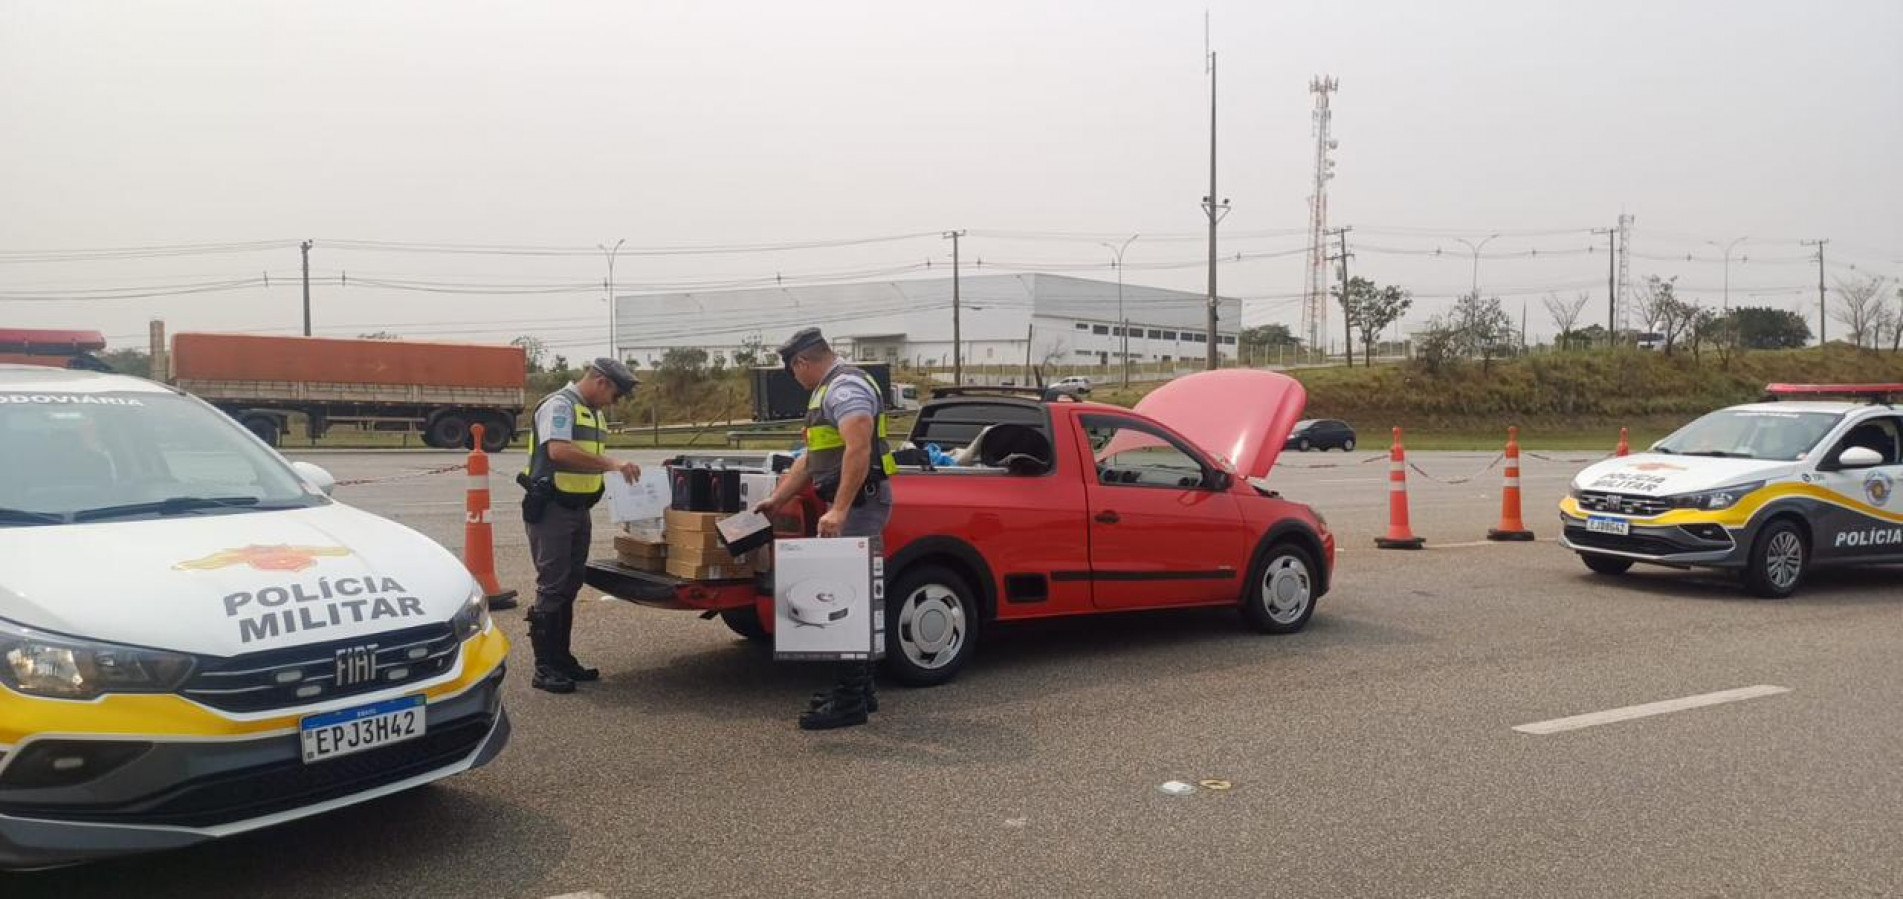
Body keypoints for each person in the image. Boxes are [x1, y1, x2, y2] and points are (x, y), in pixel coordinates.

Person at [752, 328, 899, 730]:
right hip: (854, 504)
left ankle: (850, 701)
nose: (795, 379)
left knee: (846, 599)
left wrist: (838, 510)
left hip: (859, 506)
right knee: (853, 597)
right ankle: (858, 691)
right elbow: (813, 457)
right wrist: (778, 499)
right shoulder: (827, 390)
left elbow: (859, 447)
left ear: (802, 362)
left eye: (793, 371)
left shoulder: (844, 387)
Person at [518, 358, 642, 695]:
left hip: (577, 508)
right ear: (601, 381)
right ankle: (544, 667)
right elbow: (559, 451)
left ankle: (561, 658)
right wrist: (612, 464)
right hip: (552, 509)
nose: (614, 403)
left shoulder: (593, 412)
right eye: (615, 394)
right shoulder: (560, 406)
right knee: (553, 586)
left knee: (570, 584)